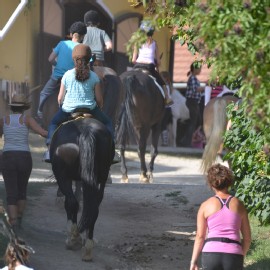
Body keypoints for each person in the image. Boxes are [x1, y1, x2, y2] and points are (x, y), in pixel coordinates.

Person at [43, 44, 119, 164]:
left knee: (53, 123)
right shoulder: (94, 77)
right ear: (89, 59)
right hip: (90, 110)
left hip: (68, 110)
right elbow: (99, 100)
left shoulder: (67, 75)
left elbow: (59, 98)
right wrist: (99, 107)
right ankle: (112, 150)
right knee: (108, 122)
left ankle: (48, 149)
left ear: (74, 59)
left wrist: (62, 106)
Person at [190, 164, 251, 270]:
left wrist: (193, 261)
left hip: (211, 253)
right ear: (229, 182)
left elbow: (200, 236)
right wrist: (240, 255)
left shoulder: (205, 206)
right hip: (234, 253)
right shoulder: (239, 204)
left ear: (211, 184)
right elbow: (247, 239)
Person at [0, 100, 48, 232]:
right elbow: (42, 133)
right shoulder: (27, 119)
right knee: (22, 190)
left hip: (8, 157)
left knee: (11, 192)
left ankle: (13, 223)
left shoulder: (3, 120)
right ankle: (19, 219)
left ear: (12, 108)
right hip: (24, 157)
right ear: (24, 109)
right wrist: (52, 133)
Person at [37, 21, 87, 119]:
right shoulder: (82, 48)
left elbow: (50, 59)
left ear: (71, 34)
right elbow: (86, 64)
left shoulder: (61, 43)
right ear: (82, 36)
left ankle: (39, 113)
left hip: (57, 77)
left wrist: (57, 65)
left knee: (44, 93)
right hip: (72, 79)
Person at [132, 20, 173, 106]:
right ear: (152, 32)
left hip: (138, 65)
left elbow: (133, 60)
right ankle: (167, 98)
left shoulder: (137, 42)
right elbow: (158, 61)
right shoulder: (154, 43)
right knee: (162, 82)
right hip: (149, 66)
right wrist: (157, 64)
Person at [180, 62, 204, 147]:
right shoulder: (193, 78)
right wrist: (206, 87)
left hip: (194, 101)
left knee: (197, 121)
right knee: (194, 122)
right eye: (199, 68)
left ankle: (187, 140)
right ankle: (187, 141)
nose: (200, 70)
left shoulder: (194, 78)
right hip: (192, 101)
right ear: (195, 69)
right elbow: (196, 89)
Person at [160, 71, 173, 146]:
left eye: (161, 77)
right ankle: (165, 141)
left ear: (165, 78)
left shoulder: (164, 86)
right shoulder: (168, 86)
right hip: (169, 108)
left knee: (163, 125)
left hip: (166, 107)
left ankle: (165, 142)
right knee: (164, 125)